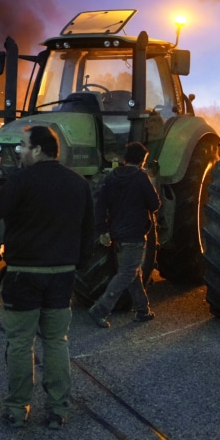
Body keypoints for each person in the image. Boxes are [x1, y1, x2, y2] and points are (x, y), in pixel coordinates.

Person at [0, 125, 93, 430]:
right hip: (61, 274)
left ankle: (17, 409)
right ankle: (57, 410)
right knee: (56, 341)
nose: (19, 152)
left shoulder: (22, 181)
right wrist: (74, 264)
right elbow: (88, 233)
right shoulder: (78, 184)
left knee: (20, 343)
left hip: (24, 275)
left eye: (23, 146)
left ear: (38, 150)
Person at [88, 141, 161, 328]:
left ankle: (143, 310)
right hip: (135, 235)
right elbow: (154, 204)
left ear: (124, 158)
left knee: (133, 272)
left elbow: (101, 205)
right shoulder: (141, 177)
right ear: (142, 160)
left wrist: (102, 230)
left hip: (117, 234)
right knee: (127, 273)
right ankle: (100, 309)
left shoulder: (111, 177)